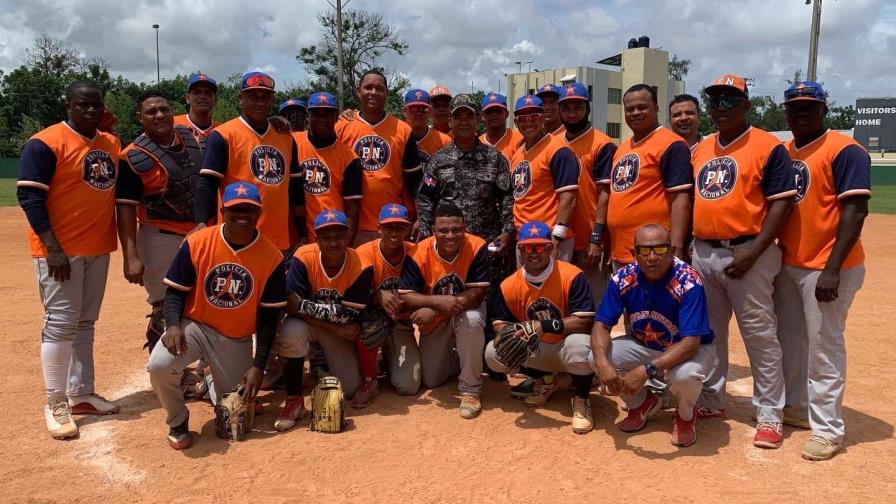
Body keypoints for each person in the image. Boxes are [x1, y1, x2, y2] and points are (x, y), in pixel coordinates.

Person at [691, 74, 796, 449]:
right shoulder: (701, 148)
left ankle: (770, 413)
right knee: (710, 333)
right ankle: (712, 398)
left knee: (760, 335)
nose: (720, 107)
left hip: (750, 250)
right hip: (704, 250)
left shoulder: (768, 146)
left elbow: (782, 203)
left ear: (747, 105)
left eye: (730, 100)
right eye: (715, 100)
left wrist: (754, 250)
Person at [17, 80, 122, 439]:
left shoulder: (110, 142)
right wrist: (52, 246)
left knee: (86, 323)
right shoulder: (44, 143)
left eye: (96, 104)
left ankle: (81, 393)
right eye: (83, 105)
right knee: (61, 322)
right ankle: (55, 400)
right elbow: (30, 198)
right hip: (60, 251)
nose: (91, 110)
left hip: (97, 247)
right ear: (68, 106)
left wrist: (109, 126)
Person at [148, 182, 286, 449]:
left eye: (249, 209)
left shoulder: (271, 256)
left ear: (258, 213)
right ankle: (177, 420)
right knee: (159, 366)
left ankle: (211, 378)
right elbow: (175, 292)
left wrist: (259, 365)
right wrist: (173, 325)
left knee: (236, 424)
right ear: (223, 210)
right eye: (235, 209)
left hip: (235, 338)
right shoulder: (198, 242)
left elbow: (269, 319)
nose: (242, 215)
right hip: (195, 326)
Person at [774, 81, 871, 461]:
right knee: (792, 343)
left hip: (829, 267)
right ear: (786, 112)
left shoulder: (845, 150)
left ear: (824, 110)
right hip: (791, 263)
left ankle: (829, 429)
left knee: (824, 348)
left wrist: (832, 268)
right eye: (795, 107)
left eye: (809, 107)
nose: (801, 113)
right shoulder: (784, 151)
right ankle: (796, 408)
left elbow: (855, 210)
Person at [590, 224, 717, 448]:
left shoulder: (688, 281)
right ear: (634, 254)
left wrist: (645, 370)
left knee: (686, 376)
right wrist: (602, 362)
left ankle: (686, 415)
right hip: (646, 344)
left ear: (672, 251)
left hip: (688, 350)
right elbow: (601, 325)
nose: (652, 257)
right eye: (644, 250)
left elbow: (690, 344)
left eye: (659, 249)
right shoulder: (623, 278)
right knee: (595, 358)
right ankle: (642, 403)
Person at [486, 221, 596, 434]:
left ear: (550, 247)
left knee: (579, 344)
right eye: (528, 247)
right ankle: (545, 379)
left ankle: (581, 397)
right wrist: (511, 334)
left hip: (566, 346)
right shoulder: (509, 284)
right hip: (537, 348)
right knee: (494, 353)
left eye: (540, 247)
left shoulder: (571, 275)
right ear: (520, 249)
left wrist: (542, 325)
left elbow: (585, 321)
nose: (534, 253)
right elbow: (499, 322)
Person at [116, 91, 205, 354]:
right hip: (160, 236)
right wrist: (130, 255)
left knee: (202, 301)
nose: (159, 115)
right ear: (139, 117)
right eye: (151, 111)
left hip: (199, 234)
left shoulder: (194, 139)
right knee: (164, 306)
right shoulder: (131, 156)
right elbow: (125, 209)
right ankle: (165, 370)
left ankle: (203, 366)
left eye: (164, 109)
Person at [274, 209, 375, 431]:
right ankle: (294, 399)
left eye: (339, 237)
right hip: (317, 327)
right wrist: (333, 326)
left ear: (348, 237)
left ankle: (332, 370)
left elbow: (349, 316)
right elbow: (291, 308)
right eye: (326, 238)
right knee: (290, 332)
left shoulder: (362, 263)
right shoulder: (303, 256)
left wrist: (303, 306)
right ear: (316, 239)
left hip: (333, 328)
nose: (333, 243)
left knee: (348, 389)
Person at [398, 202, 491, 418]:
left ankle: (470, 390)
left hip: (464, 310)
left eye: (457, 230)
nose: (451, 235)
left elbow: (476, 294)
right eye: (444, 230)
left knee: (472, 320)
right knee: (431, 379)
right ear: (433, 231)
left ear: (464, 227)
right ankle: (465, 357)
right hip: (437, 318)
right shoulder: (418, 252)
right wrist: (437, 305)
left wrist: (435, 308)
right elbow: (405, 295)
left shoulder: (477, 246)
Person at [194, 71, 302, 253]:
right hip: (235, 238)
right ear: (240, 98)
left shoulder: (285, 137)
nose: (260, 102)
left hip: (277, 240)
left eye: (265, 96)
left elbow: (295, 190)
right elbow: (207, 185)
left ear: (272, 100)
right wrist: (201, 223)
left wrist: (302, 233)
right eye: (253, 96)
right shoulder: (224, 134)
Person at [594, 84, 693, 270]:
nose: (635, 113)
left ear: (656, 107)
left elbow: (681, 198)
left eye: (642, 107)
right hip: (621, 250)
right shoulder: (622, 148)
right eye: (630, 109)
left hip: (655, 254)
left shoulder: (671, 144)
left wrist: (676, 245)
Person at [336, 70, 423, 245]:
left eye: (379, 88)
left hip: (393, 223)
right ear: (358, 90)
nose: (373, 92)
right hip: (352, 226)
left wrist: (420, 218)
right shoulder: (342, 127)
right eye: (368, 88)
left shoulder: (403, 130)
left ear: (387, 92)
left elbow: (415, 182)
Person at [558, 82, 617, 300]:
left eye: (578, 107)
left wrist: (596, 238)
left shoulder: (602, 144)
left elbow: (605, 194)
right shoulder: (554, 144)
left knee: (592, 302)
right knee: (562, 301)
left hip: (588, 241)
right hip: (560, 240)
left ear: (587, 109)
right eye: (566, 108)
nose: (572, 113)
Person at [354, 203, 417, 406]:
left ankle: (388, 359)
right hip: (373, 319)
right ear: (379, 228)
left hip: (401, 321)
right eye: (389, 227)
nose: (394, 232)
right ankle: (369, 379)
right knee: (369, 324)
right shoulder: (364, 252)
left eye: (400, 227)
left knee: (408, 386)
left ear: (407, 229)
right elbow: (354, 293)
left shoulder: (415, 253)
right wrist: (377, 296)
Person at [509, 95, 579, 264]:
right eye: (523, 118)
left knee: (554, 288)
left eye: (534, 117)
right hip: (524, 238)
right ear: (516, 122)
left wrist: (557, 239)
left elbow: (568, 198)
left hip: (550, 238)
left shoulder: (558, 149)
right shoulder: (518, 153)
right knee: (528, 289)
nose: (528, 122)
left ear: (543, 119)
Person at [295, 91, 362, 243]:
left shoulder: (350, 158)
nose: (322, 119)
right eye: (317, 114)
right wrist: (274, 120)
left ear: (336, 117)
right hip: (296, 238)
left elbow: (352, 210)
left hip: (331, 239)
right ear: (308, 116)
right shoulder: (292, 143)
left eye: (328, 114)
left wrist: (346, 245)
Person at [402, 88, 452, 165]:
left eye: (423, 109)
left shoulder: (444, 141)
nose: (418, 113)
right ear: (404, 111)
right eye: (413, 108)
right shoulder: (395, 137)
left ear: (430, 112)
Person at [173, 72, 220, 146]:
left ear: (215, 100)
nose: (202, 96)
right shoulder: (172, 124)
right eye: (197, 92)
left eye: (208, 93)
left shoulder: (222, 131)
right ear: (187, 98)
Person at [479, 92, 522, 165]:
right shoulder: (477, 143)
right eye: (489, 112)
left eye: (498, 111)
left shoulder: (520, 139)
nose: (494, 115)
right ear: (483, 116)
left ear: (506, 114)